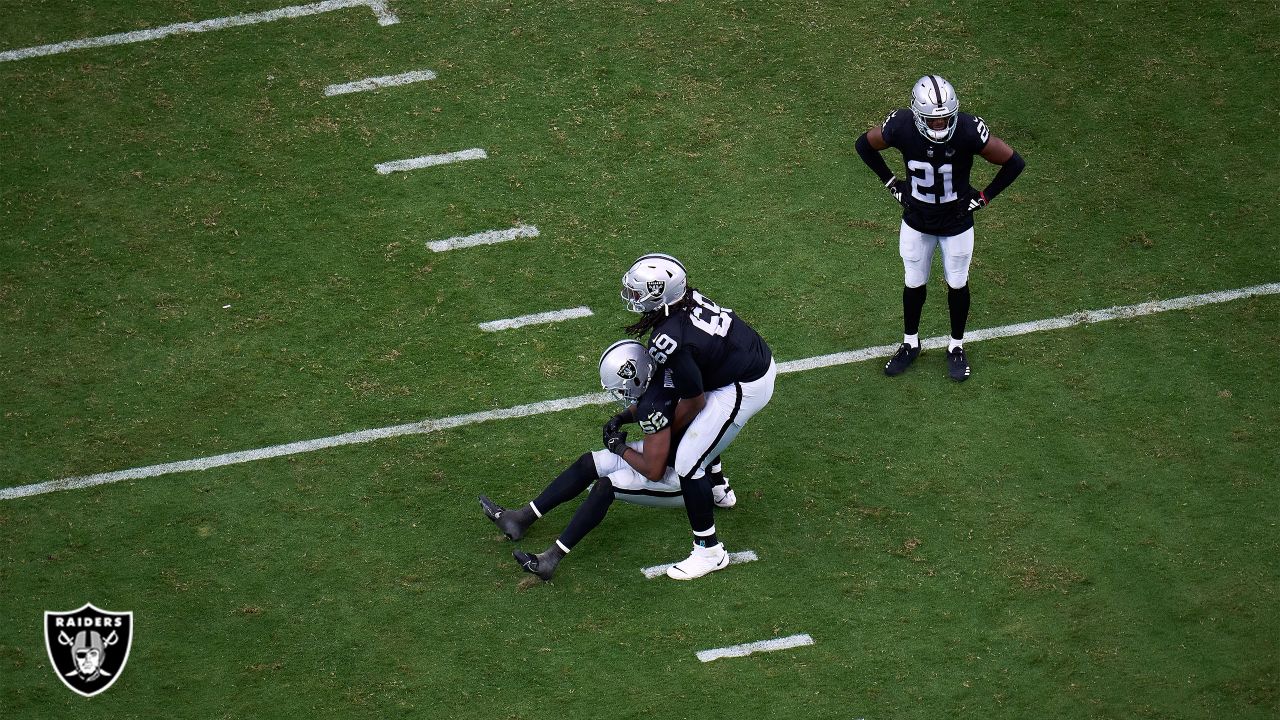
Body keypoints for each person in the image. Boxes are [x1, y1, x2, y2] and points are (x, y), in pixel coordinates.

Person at [478, 339, 732, 581]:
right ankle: (521, 518)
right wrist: (622, 418)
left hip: (680, 477)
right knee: (589, 462)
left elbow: (653, 470)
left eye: (622, 387)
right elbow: (659, 401)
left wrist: (619, 448)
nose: (621, 393)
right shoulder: (666, 371)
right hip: (685, 451)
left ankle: (550, 559)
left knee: (605, 487)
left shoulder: (652, 407)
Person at [854, 74, 1025, 381]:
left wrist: (984, 198)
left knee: (957, 283)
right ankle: (910, 343)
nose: (940, 125)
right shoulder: (901, 126)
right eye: (933, 121)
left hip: (956, 222)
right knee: (913, 281)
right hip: (917, 219)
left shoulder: (968, 130)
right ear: (917, 115)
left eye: (945, 118)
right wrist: (893, 184)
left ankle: (956, 346)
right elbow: (864, 145)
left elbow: (1014, 162)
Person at [621, 253, 777, 580]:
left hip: (744, 384)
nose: (634, 299)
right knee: (698, 434)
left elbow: (693, 402)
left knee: (688, 462)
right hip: (742, 362)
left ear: (660, 293)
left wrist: (666, 431)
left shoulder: (669, 338)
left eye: (640, 292)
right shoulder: (682, 301)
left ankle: (709, 551)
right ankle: (718, 486)